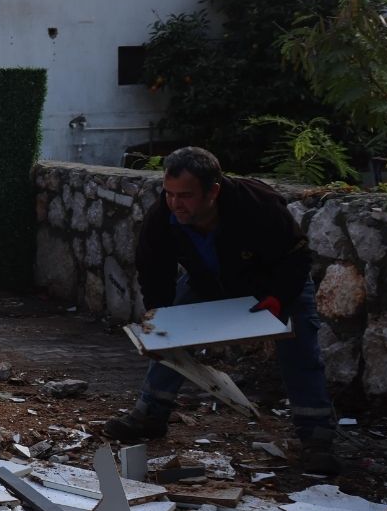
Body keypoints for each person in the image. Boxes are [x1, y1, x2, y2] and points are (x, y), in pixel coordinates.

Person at [104, 146, 339, 474]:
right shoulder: (164, 215)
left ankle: (316, 434)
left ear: (213, 191)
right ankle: (150, 413)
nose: (175, 203)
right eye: (169, 194)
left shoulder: (257, 206)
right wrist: (159, 314)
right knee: (170, 334)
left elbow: (296, 257)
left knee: (299, 348)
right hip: (208, 280)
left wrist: (279, 300)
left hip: (275, 282)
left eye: (185, 196)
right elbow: (152, 266)